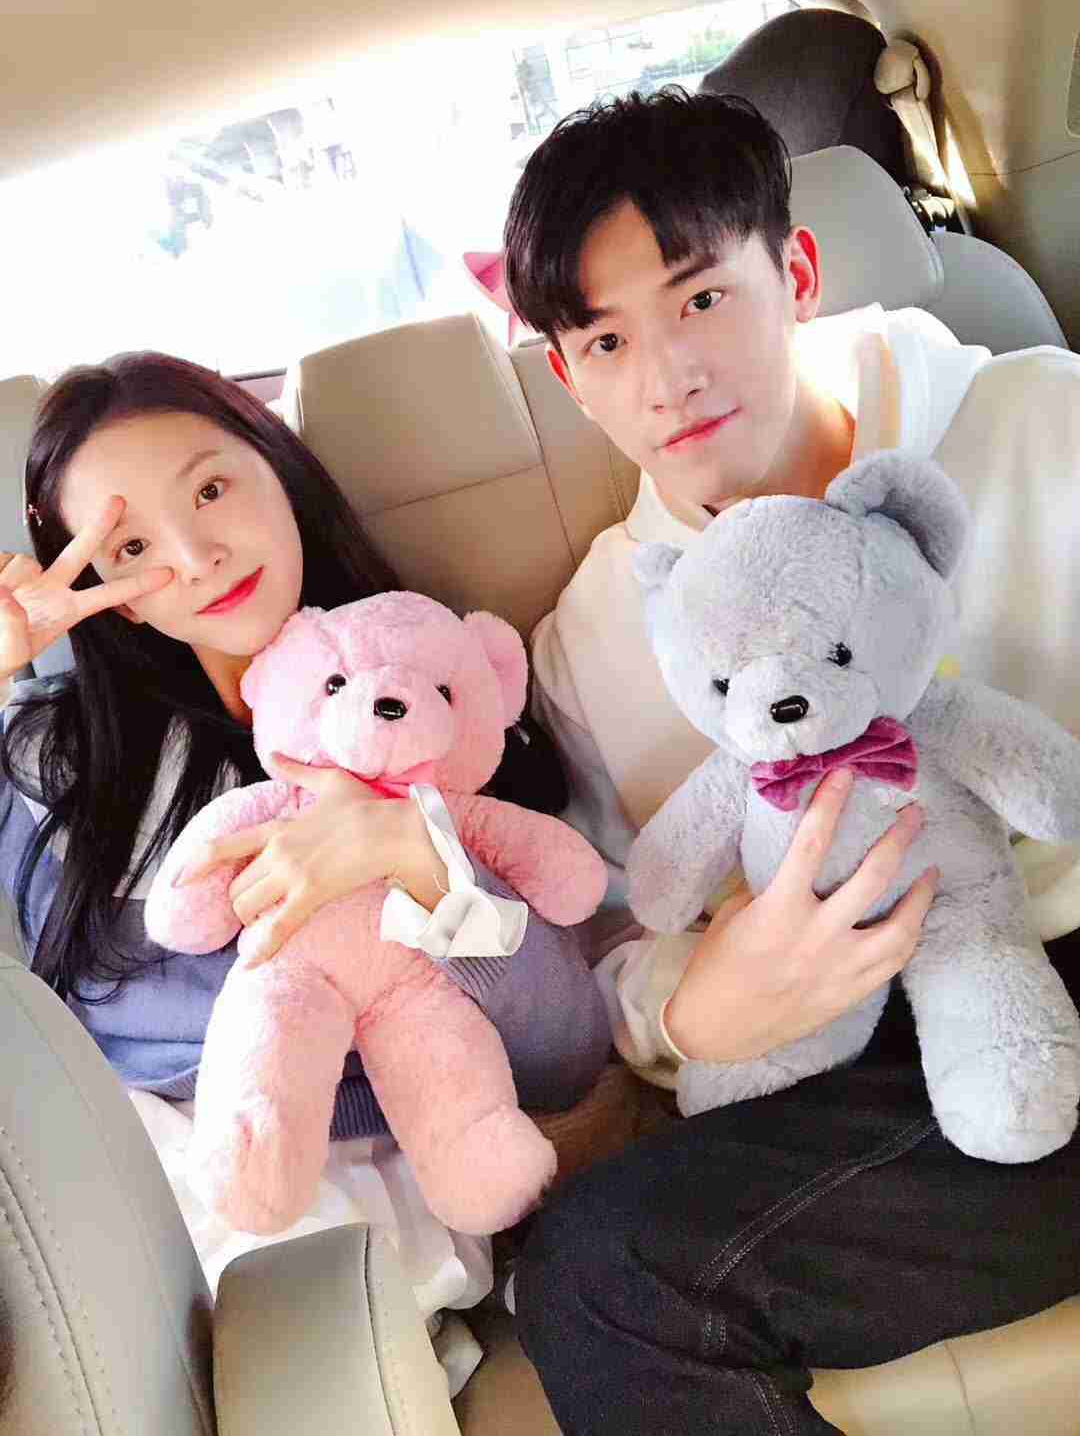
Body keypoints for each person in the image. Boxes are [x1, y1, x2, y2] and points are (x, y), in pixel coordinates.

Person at [490, 88, 1080, 1433]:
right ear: (570, 377)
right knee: (590, 1280)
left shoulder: (1041, 422)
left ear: (796, 275)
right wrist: (699, 1007)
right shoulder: (596, 637)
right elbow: (615, 944)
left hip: (1051, 941)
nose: (667, 377)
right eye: (606, 340)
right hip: (885, 1071)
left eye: (701, 299)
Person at [0, 352, 611, 1392]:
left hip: (349, 1228)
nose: (196, 555)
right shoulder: (56, 757)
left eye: (210, 489)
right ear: (115, 597)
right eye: (134, 546)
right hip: (107, 1203)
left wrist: (414, 858)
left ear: (275, 464)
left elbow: (568, 1056)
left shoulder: (431, 694)